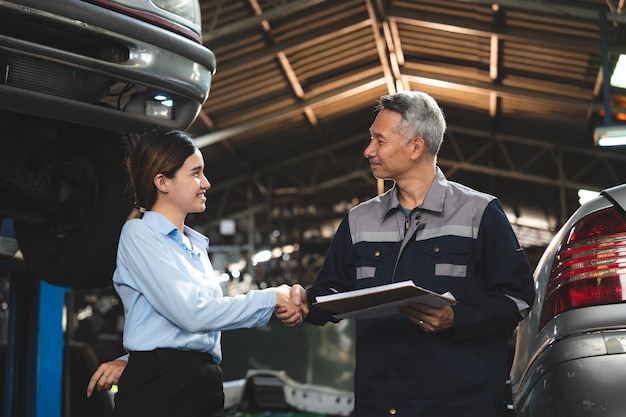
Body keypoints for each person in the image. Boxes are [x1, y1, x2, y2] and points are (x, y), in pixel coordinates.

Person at [281, 90, 536, 417]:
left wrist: (457, 318)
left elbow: (518, 297)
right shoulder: (359, 221)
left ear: (416, 147)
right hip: (381, 403)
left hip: (461, 404)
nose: (368, 150)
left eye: (379, 140)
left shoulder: (479, 213)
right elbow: (334, 289)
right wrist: (306, 303)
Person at [86, 128, 305, 417]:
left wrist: (132, 359)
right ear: (162, 182)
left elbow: (176, 325)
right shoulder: (139, 233)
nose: (206, 183)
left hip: (203, 384)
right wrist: (272, 298)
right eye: (195, 173)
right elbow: (192, 313)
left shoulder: (196, 247)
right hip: (163, 389)